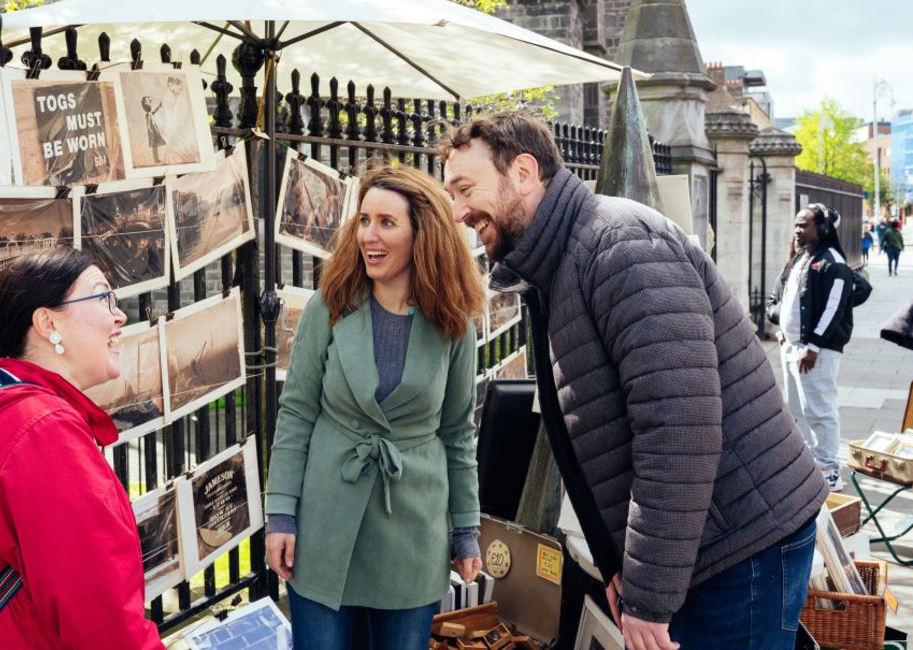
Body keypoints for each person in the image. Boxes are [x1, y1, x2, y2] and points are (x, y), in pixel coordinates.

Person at [439, 111, 826, 650]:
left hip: (737, 547)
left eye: (465, 189)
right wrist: (626, 565)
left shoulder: (620, 246)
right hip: (704, 544)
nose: (457, 211)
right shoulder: (562, 260)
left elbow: (679, 432)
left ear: (524, 173)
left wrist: (649, 594)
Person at [0, 248, 165, 649]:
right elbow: (103, 624)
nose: (119, 315)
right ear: (47, 322)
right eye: (102, 297)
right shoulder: (42, 433)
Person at [265, 163, 485, 649]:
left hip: (411, 530)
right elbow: (297, 413)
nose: (369, 235)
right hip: (324, 523)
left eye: (387, 222)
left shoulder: (454, 323)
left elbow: (457, 433)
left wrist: (466, 529)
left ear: (422, 233)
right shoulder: (331, 305)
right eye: (364, 220)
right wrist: (281, 514)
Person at [767, 204, 855, 493]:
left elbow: (834, 307)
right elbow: (787, 299)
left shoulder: (833, 262)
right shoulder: (802, 259)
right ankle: (807, 465)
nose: (797, 230)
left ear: (824, 229)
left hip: (815, 351)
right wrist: (783, 332)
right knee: (798, 410)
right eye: (796, 224)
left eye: (804, 225)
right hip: (793, 346)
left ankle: (829, 470)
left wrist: (814, 345)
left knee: (819, 409)